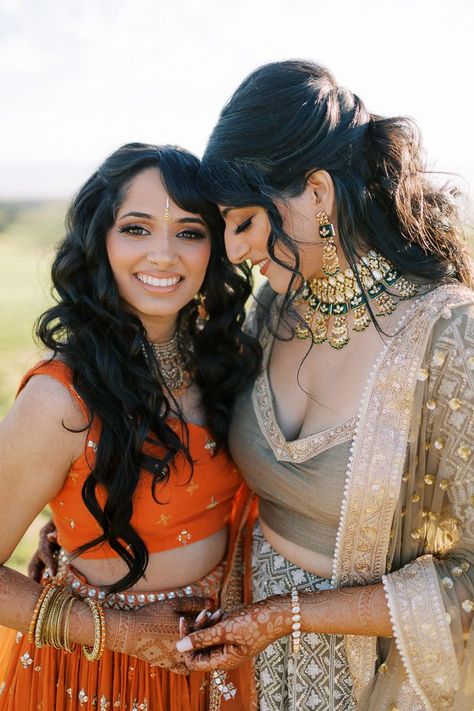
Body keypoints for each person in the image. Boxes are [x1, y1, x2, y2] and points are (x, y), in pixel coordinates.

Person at [175, 60, 474, 710]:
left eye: (245, 221)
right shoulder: (275, 309)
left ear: (316, 192)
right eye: (222, 223)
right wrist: (104, 519)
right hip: (250, 673)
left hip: (376, 684)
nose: (231, 249)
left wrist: (288, 614)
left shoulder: (449, 339)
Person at [0, 143, 260, 711]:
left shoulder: (228, 363)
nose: (164, 255)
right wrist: (124, 632)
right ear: (100, 241)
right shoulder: (59, 399)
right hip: (100, 676)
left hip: (219, 669)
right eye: (137, 229)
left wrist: (76, 516)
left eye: (189, 232)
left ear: (215, 248)